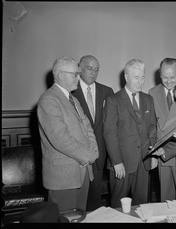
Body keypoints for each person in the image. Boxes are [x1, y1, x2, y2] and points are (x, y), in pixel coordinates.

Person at [37, 57, 99, 212]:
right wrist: (87, 156)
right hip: (63, 178)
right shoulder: (49, 99)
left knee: (80, 217)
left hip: (82, 173)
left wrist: (94, 152)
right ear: (61, 75)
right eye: (75, 74)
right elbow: (60, 138)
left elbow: (88, 127)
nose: (79, 77)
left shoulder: (73, 99)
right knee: (64, 220)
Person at [103, 59, 156, 208]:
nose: (141, 82)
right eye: (136, 77)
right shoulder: (113, 100)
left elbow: (152, 128)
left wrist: (153, 154)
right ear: (126, 77)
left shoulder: (148, 99)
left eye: (143, 77)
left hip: (144, 162)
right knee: (118, 205)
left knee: (142, 204)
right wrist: (116, 162)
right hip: (122, 164)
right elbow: (109, 133)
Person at [73, 55, 114, 211]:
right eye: (89, 68)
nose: (93, 72)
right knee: (77, 201)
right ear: (80, 69)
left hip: (100, 152)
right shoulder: (71, 91)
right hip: (78, 153)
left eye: (96, 69)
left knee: (95, 199)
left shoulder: (107, 91)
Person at [148, 58, 176, 201]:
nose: (169, 81)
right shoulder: (152, 92)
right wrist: (152, 153)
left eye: (173, 77)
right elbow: (151, 126)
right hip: (162, 153)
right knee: (166, 198)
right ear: (160, 75)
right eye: (165, 77)